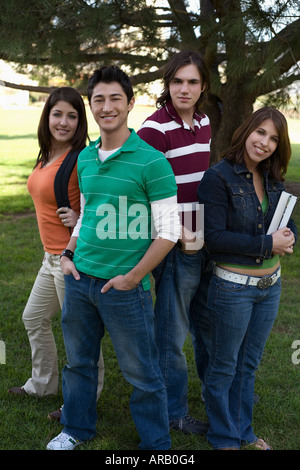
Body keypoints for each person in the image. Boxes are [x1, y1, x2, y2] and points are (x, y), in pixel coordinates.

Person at [46, 65, 180, 451]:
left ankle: (157, 446)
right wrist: (69, 254)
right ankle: (76, 428)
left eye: (115, 99)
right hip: (79, 279)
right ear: (92, 105)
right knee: (78, 364)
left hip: (123, 287)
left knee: (142, 373)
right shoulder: (86, 159)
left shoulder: (152, 161)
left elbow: (169, 231)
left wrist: (133, 277)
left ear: (130, 103)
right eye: (99, 100)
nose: (106, 107)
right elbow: (87, 214)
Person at [197, 107, 297, 450]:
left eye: (273, 139)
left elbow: (284, 222)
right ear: (246, 131)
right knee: (224, 366)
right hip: (232, 289)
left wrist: (290, 235)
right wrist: (269, 243)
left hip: (270, 288)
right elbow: (214, 238)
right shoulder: (218, 177)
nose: (265, 143)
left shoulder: (271, 177)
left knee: (248, 366)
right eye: (261, 133)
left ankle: (244, 432)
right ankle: (224, 437)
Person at [8, 87, 104, 406]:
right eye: (57, 114)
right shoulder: (47, 152)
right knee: (33, 318)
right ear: (47, 116)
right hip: (50, 258)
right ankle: (43, 384)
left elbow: (100, 206)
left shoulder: (83, 159)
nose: (63, 122)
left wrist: (79, 216)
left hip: (72, 259)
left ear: (81, 122)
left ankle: (83, 402)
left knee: (80, 336)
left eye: (72, 116)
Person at [138, 50, 211, 434]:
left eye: (192, 82)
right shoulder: (154, 129)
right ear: (167, 84)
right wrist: (179, 233)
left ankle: (216, 394)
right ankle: (173, 413)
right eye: (177, 81)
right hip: (172, 246)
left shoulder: (203, 122)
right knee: (171, 332)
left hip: (202, 242)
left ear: (203, 86)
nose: (184, 89)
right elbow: (141, 193)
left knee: (204, 325)